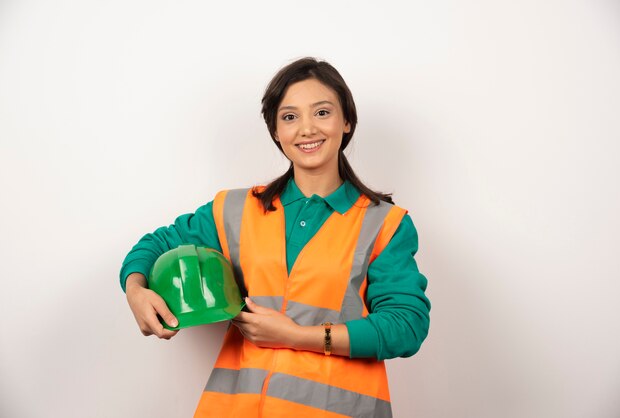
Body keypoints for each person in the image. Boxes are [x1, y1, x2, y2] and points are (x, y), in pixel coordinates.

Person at [120, 57, 431, 418]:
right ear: (275, 131)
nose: (306, 129)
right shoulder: (235, 209)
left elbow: (406, 326)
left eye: (322, 112)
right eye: (289, 117)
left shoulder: (385, 224)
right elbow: (158, 244)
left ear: (346, 121)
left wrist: (298, 336)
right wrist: (135, 289)